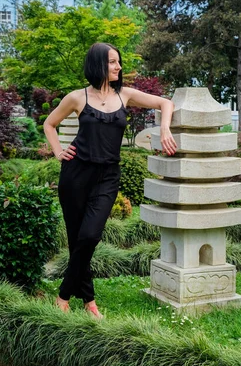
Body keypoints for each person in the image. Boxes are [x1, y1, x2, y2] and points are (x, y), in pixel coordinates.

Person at [43, 42, 177, 318]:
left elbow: (165, 102)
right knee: (77, 240)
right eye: (112, 62)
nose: (118, 67)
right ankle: (89, 302)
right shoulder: (77, 98)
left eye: (118, 62)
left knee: (90, 236)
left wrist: (164, 128)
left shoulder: (125, 95)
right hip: (76, 175)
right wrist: (58, 151)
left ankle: (63, 296)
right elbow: (49, 123)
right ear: (97, 65)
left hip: (107, 177)